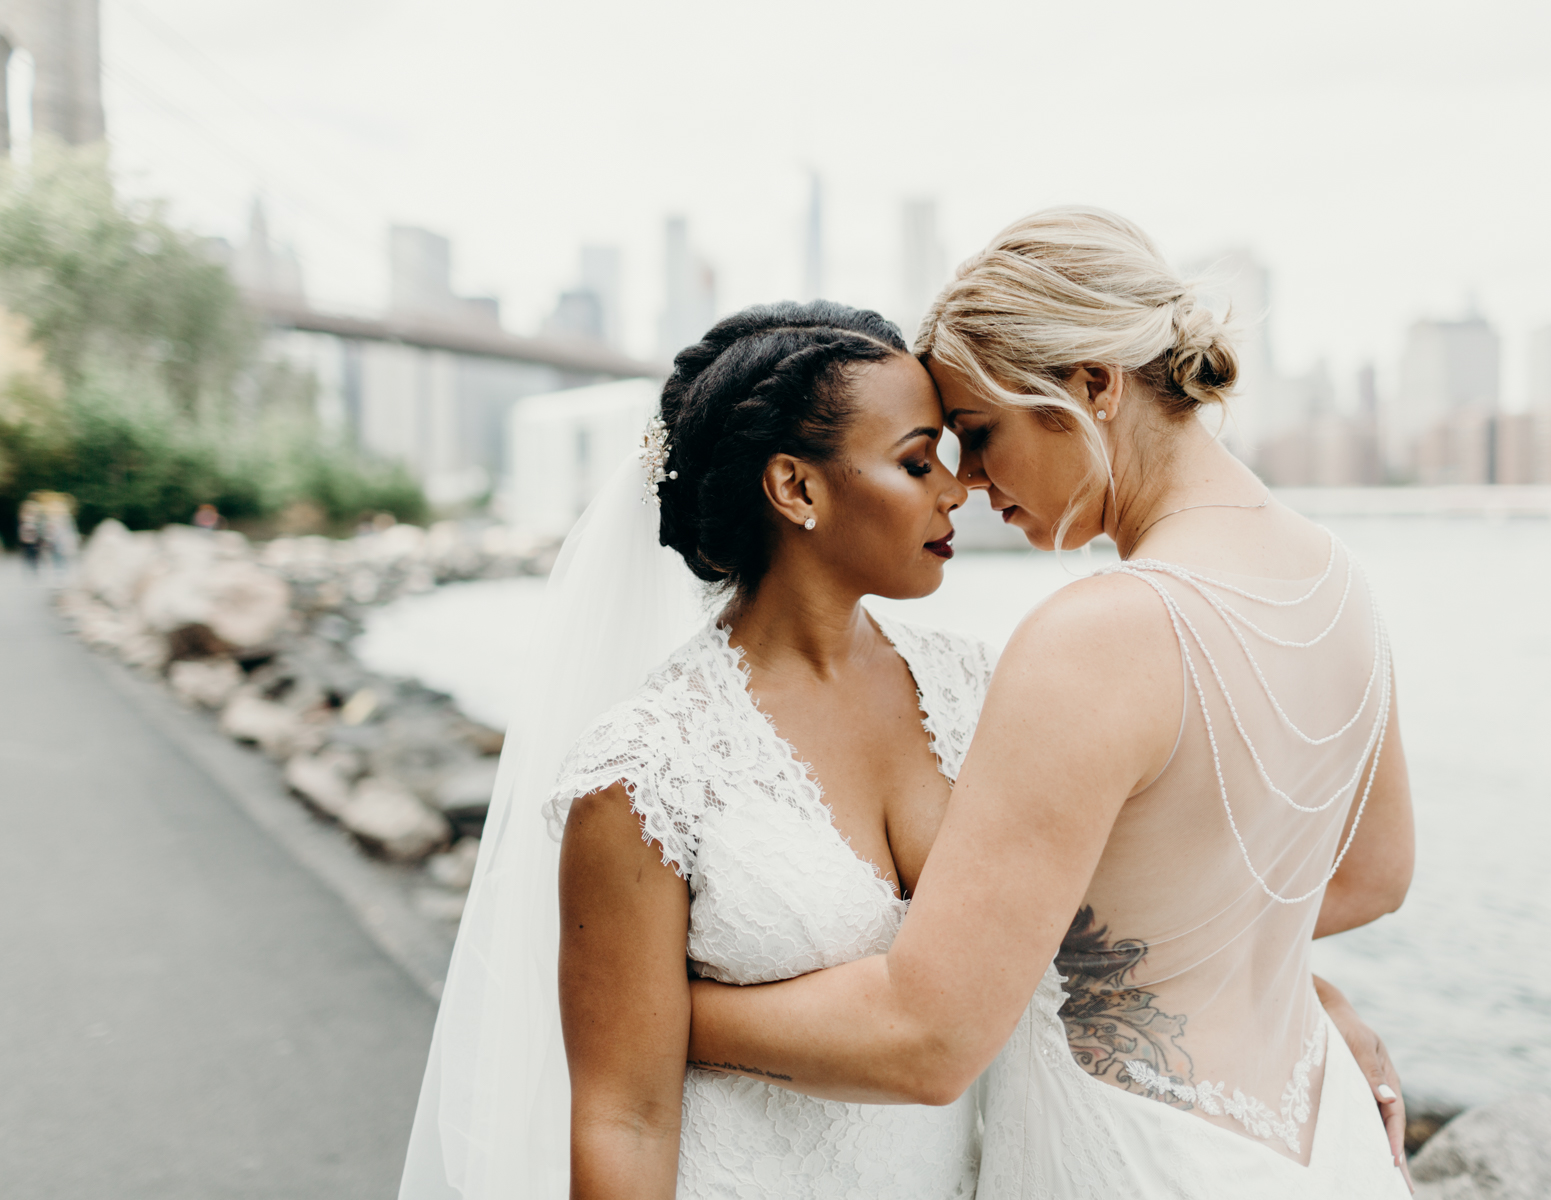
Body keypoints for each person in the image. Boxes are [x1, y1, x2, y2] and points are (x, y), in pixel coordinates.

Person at [399, 297, 1404, 1199]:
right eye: (921, 460)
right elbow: (625, 1113)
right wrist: (637, 1026)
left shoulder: (986, 691)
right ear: (796, 487)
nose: (959, 492)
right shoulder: (646, 769)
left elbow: (1110, 917)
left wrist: (1293, 999)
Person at [682, 210, 1417, 1198]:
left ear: (1094, 385)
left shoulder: (1101, 634)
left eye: (980, 434)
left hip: (1135, 1162)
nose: (970, 481)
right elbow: (1374, 877)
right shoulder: (1341, 582)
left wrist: (647, 1006)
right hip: (1318, 1144)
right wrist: (1229, 964)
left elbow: (929, 1037)